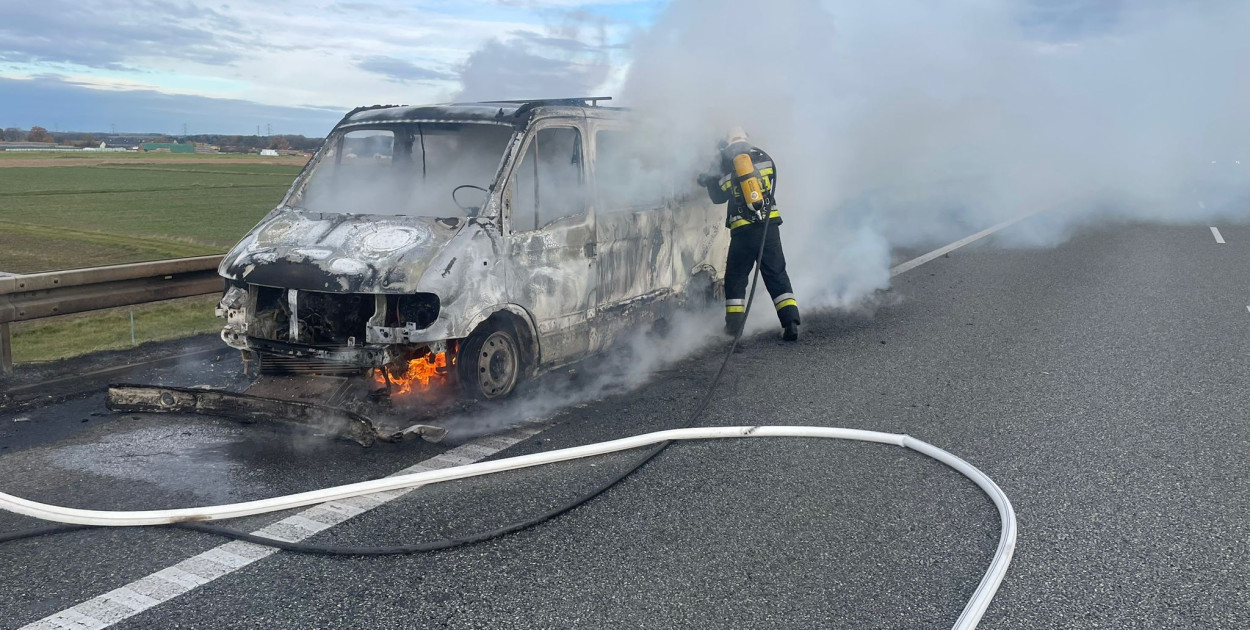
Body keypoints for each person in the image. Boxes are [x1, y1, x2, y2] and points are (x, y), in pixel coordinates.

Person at [697, 127, 800, 341]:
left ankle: (734, 328)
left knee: (736, 277)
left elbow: (718, 197)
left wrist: (708, 179)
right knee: (776, 274)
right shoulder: (764, 158)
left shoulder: (726, 165)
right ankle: (790, 322)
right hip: (768, 228)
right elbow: (771, 183)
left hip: (743, 231)